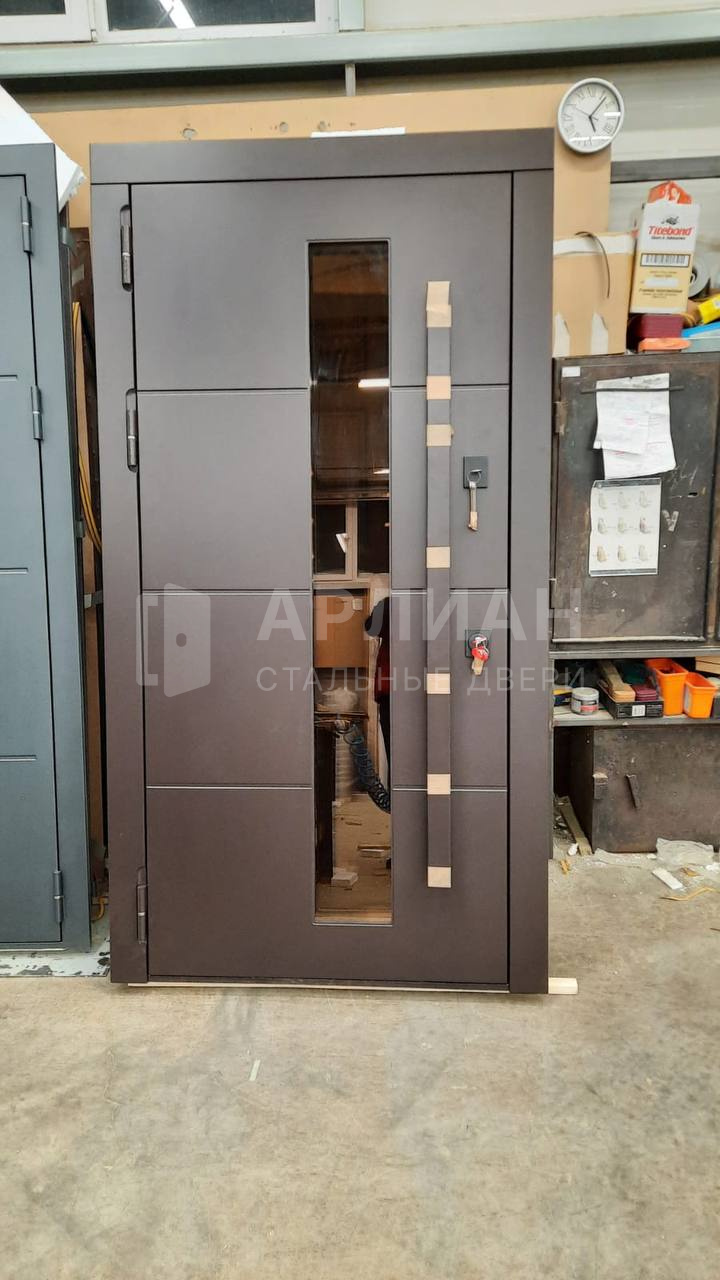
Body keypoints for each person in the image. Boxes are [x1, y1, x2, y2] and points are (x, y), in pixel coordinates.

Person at [364, 596, 390, 786]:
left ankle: (397, 794)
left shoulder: (388, 605)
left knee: (393, 747)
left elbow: (371, 627)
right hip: (416, 688)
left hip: (389, 689)